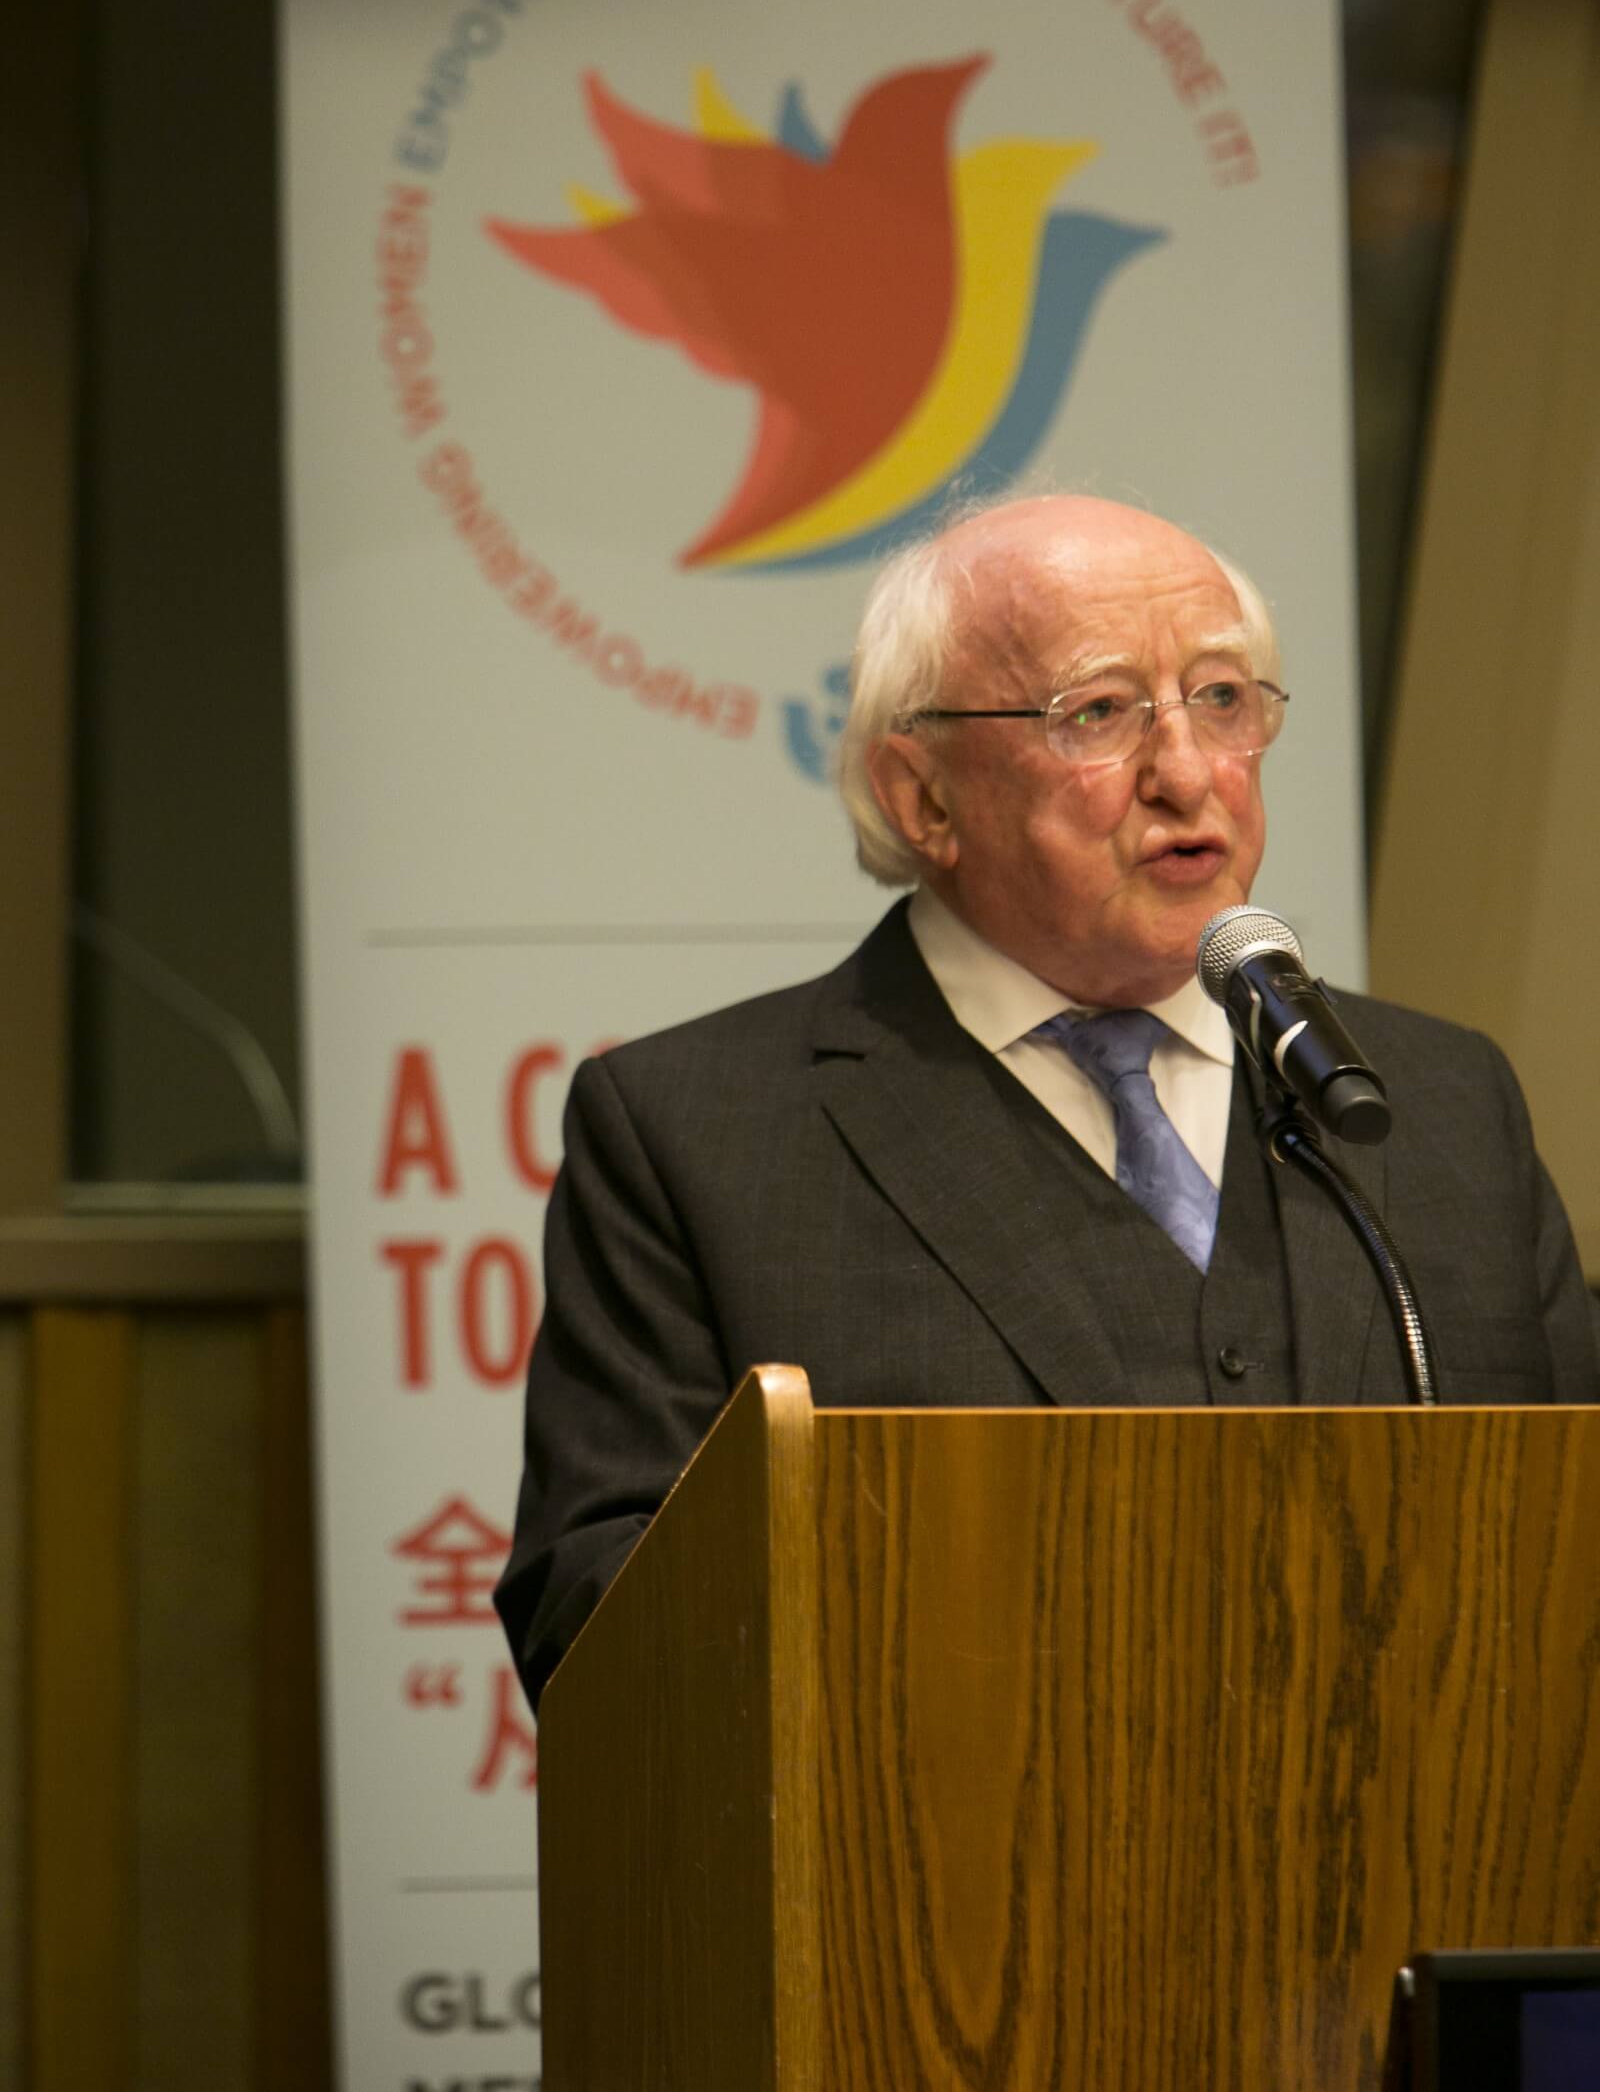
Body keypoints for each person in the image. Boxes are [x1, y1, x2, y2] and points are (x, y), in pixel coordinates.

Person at [496, 495, 1597, 1710]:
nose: (1187, 774)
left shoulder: (1435, 1098)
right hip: (943, 1824)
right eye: (1098, 713)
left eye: (1220, 698)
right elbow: (599, 1628)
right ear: (924, 799)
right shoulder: (696, 1136)